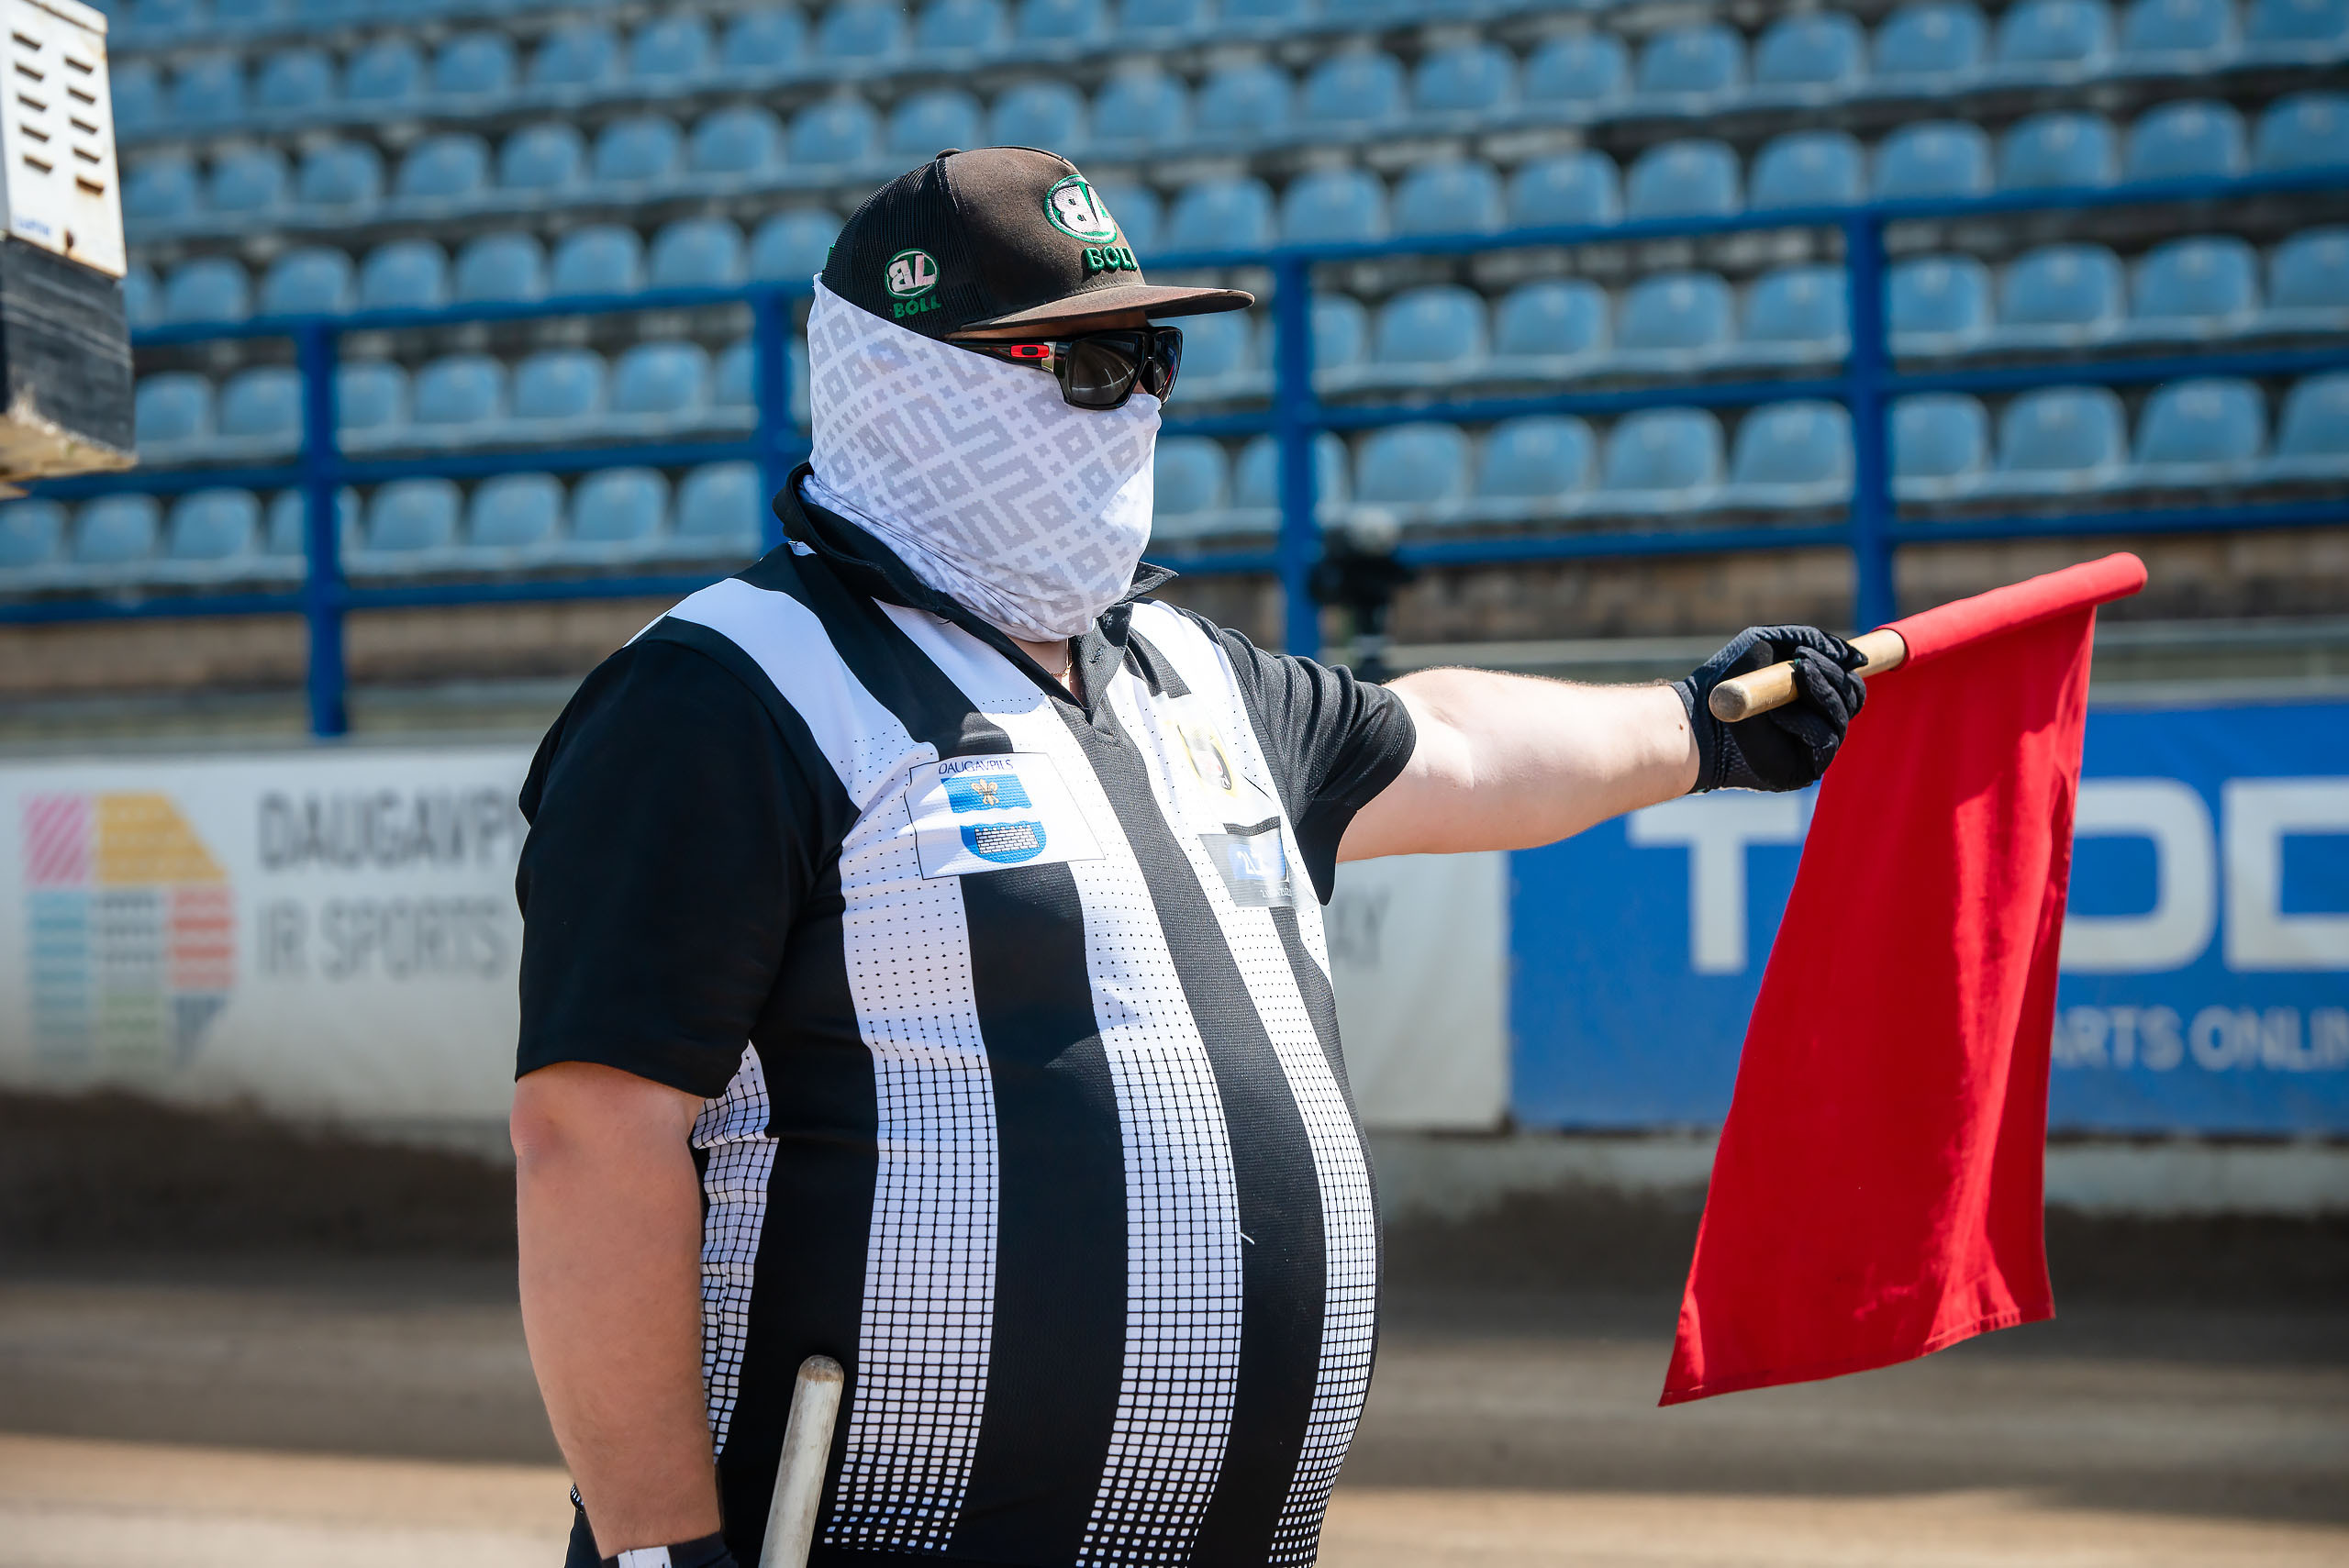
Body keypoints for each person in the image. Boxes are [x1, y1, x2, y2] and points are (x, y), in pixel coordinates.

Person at [511, 147, 1866, 1568]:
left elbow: (1452, 743)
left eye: (1152, 358)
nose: (1139, 401)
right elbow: (590, 1132)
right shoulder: (727, 694)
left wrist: (1697, 726)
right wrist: (663, 1552)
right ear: (915, 381)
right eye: (1090, 365)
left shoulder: (1183, 676)